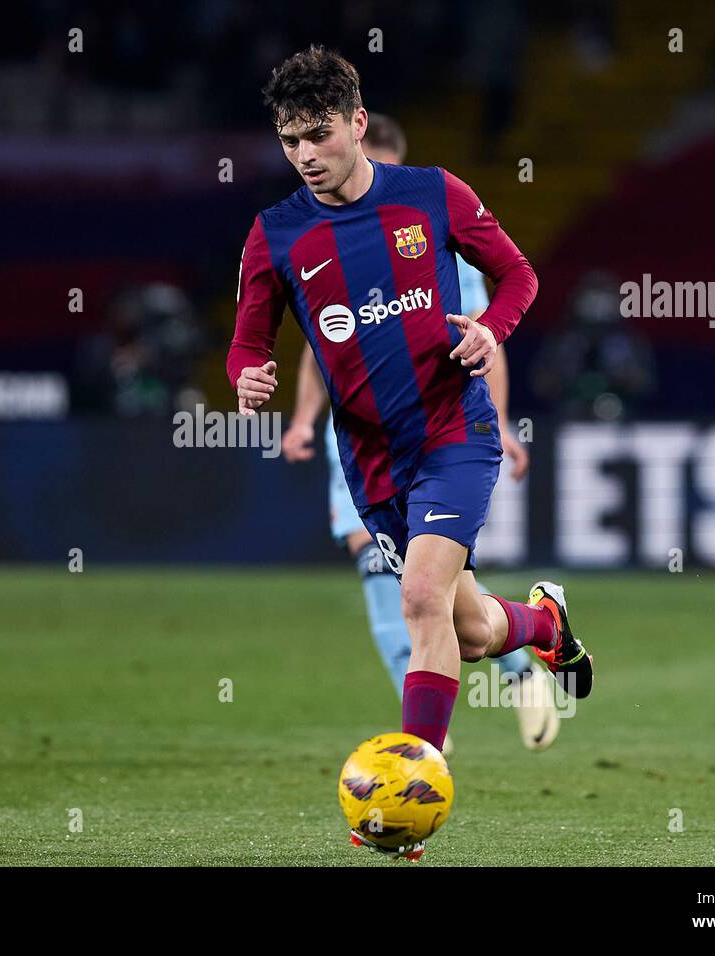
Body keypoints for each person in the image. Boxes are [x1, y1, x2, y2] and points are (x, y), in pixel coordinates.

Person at [227, 47, 594, 851]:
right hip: (370, 462)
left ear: (358, 124)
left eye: (319, 134)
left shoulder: (431, 194)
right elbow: (248, 341)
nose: (306, 156)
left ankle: (411, 791)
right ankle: (542, 624)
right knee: (465, 632)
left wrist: (487, 332)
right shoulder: (277, 234)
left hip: (453, 435)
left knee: (421, 599)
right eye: (290, 141)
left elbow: (519, 277)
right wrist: (248, 377)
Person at [278, 112, 557, 756]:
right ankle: (451, 711)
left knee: (427, 592)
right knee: (405, 584)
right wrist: (300, 418)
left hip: (436, 430)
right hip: (356, 443)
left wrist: (502, 420)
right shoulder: (312, 236)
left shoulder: (427, 232)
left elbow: (487, 335)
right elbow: (318, 346)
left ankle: (447, 725)